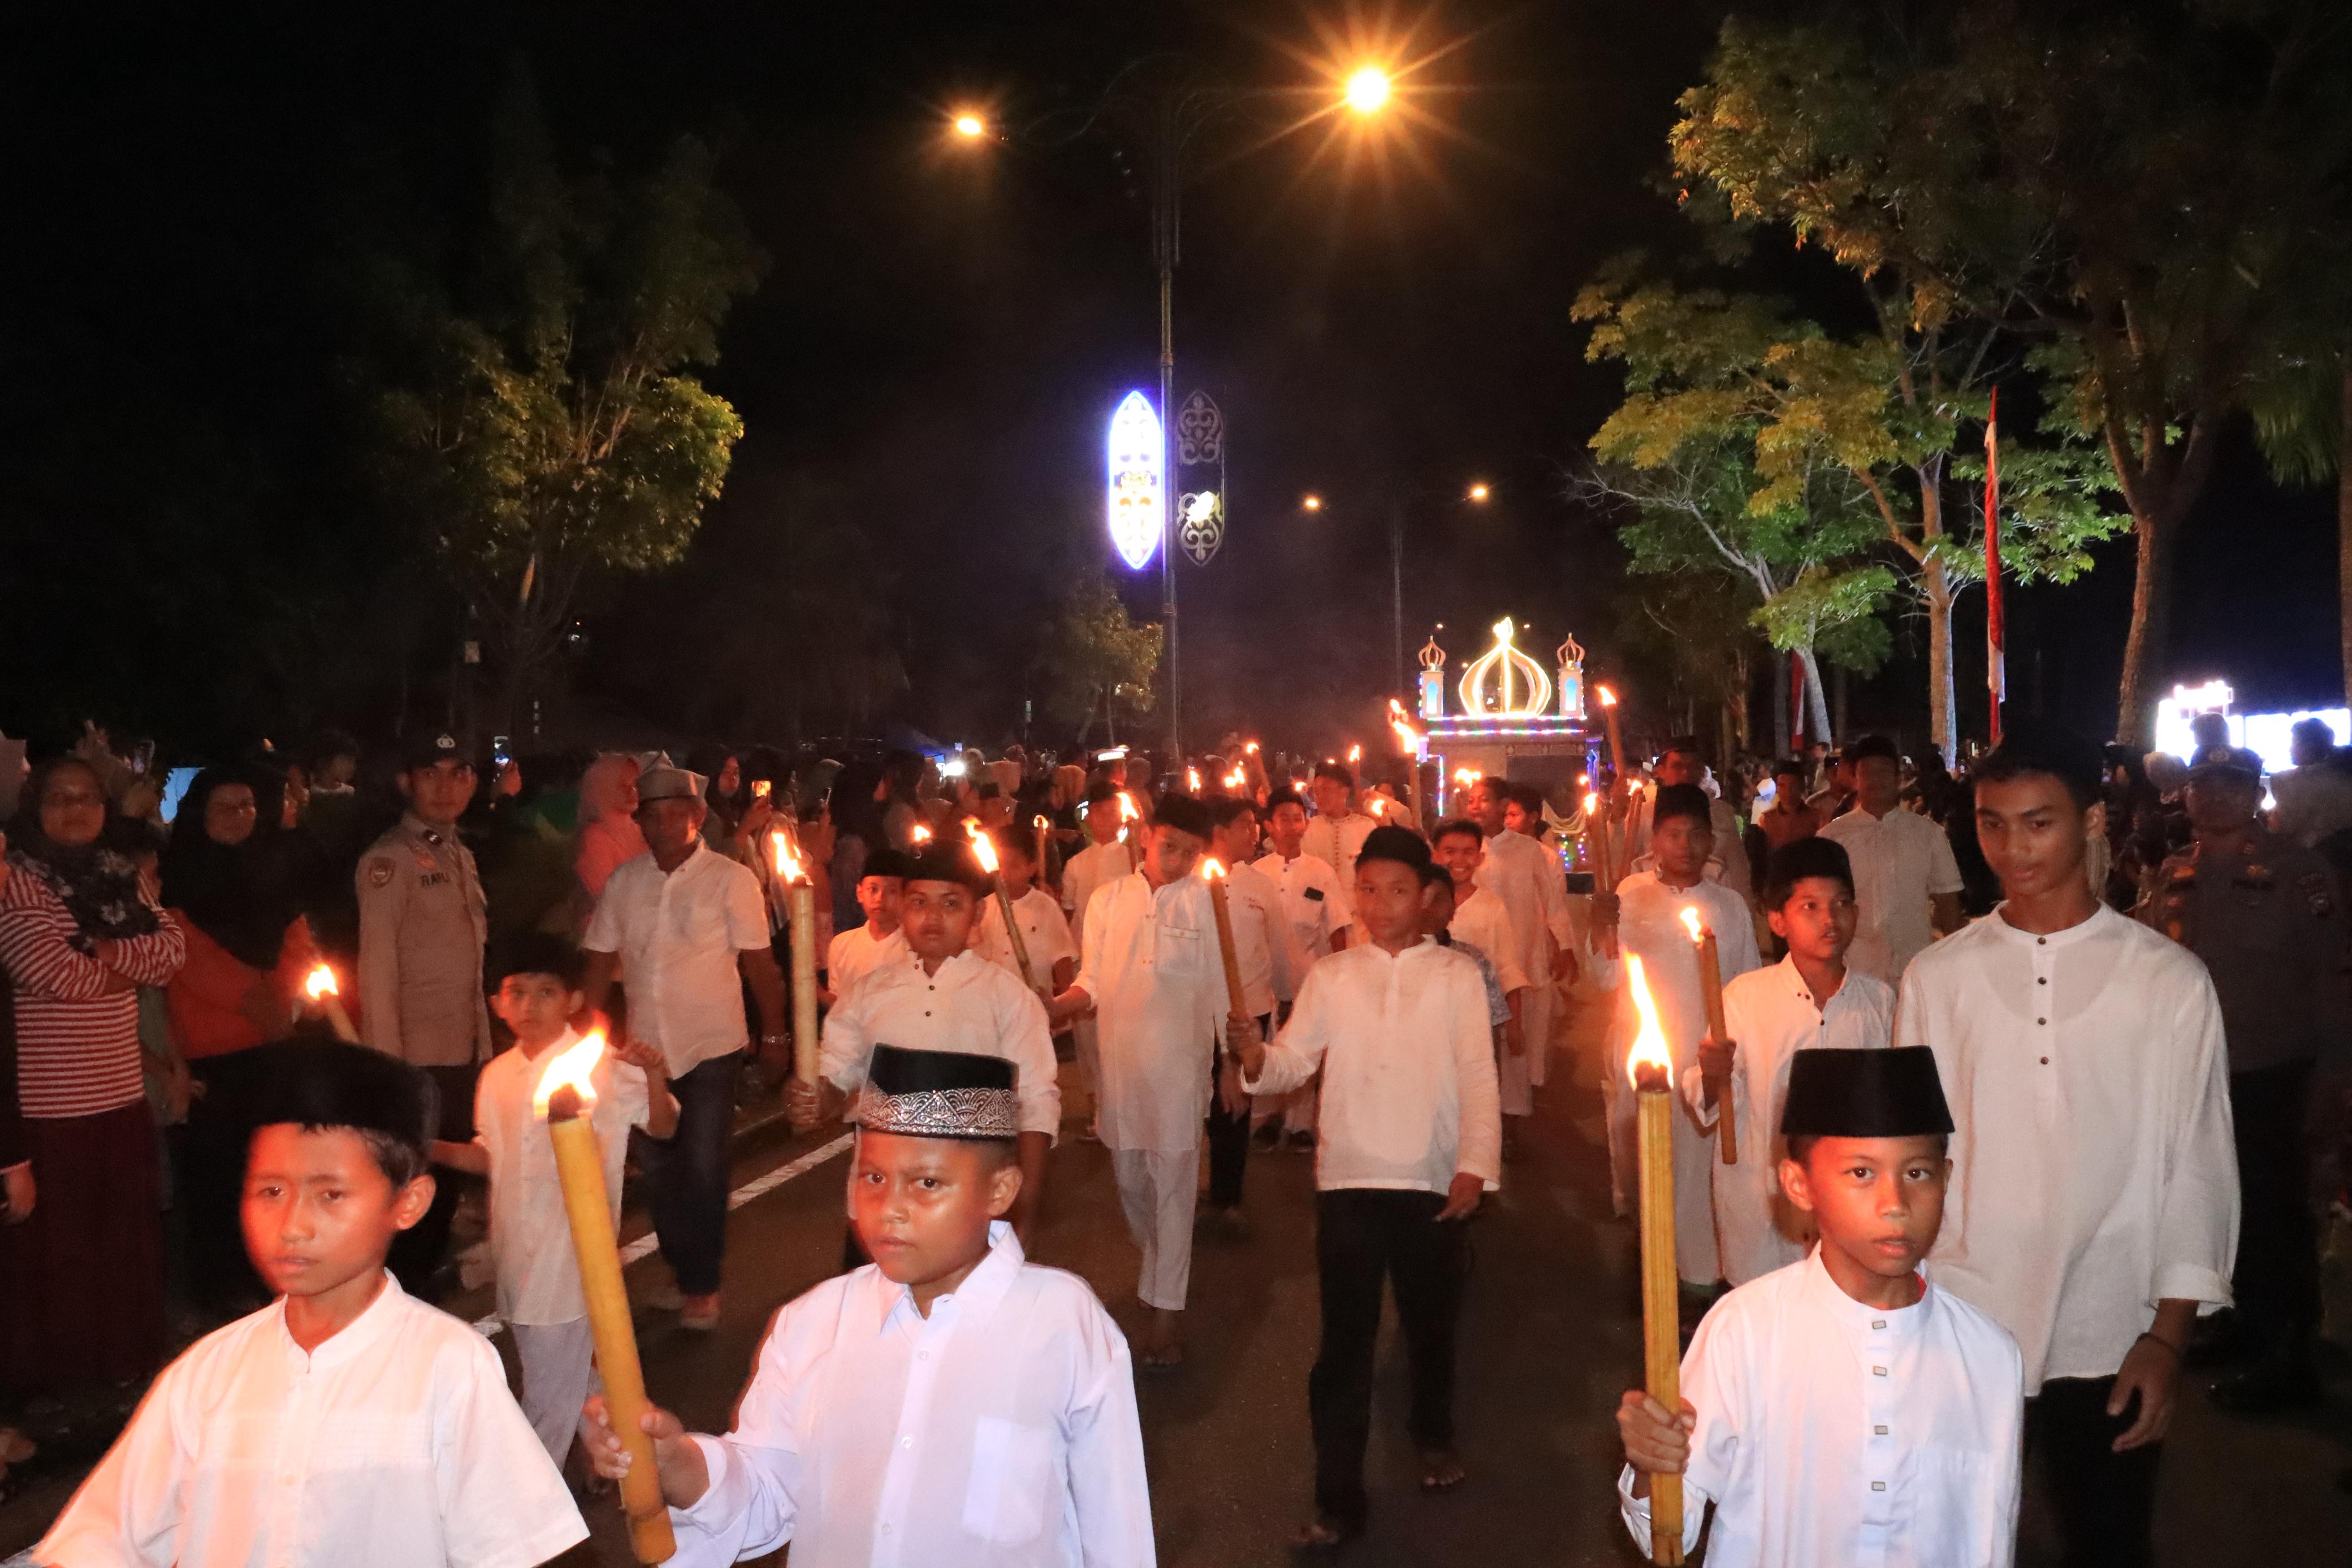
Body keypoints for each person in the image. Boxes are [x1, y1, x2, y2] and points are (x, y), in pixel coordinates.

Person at [583, 1045, 1153, 1566]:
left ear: (999, 1191)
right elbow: (765, 1488)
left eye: (926, 1183)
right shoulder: (813, 1323)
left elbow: (1115, 1529)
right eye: (873, 1176)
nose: (890, 1207)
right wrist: (676, 1464)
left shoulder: (1061, 1323)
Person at [35, 1037, 586, 1566]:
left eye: (330, 1194)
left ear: (409, 1202)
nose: (292, 1225)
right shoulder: (207, 1373)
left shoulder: (449, 1366)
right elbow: (100, 1541)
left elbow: (513, 1544)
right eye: (271, 1190)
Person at [1897, 724, 2238, 1567]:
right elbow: (1911, 1155)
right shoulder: (1937, 977)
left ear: (2090, 821)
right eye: (1991, 823)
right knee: (1951, 1543)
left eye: (2037, 822)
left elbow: (2197, 1162)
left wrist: (2167, 1338)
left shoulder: (2167, 980)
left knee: (2108, 1540)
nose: (2010, 848)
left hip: (2111, 1325)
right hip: (1965, 1318)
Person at [1615, 1047, 2024, 1566]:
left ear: (1946, 1177)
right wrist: (1652, 1463)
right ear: (1798, 1185)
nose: (1895, 1203)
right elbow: (1665, 1532)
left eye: (1918, 1173)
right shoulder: (1745, 1331)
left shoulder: (1990, 1357)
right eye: (1862, 1173)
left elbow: (1992, 1539)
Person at [1234, 826, 1501, 1548]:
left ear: (1427, 897)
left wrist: (1474, 1163)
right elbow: (1293, 1061)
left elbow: (1478, 1076)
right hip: (1348, 1178)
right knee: (1344, 1345)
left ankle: (1431, 1431)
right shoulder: (1332, 975)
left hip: (1430, 1177)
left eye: (1398, 890)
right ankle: (1337, 1499)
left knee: (1429, 1323)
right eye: (1369, 889)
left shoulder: (1455, 975)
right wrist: (1256, 1059)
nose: (1382, 904)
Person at [2134, 746, 2346, 1414]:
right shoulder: (2173, 871)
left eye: (2232, 784)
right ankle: (2240, 1323)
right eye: (2204, 784)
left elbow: (2331, 975)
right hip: (2194, 1071)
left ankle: (2289, 1353)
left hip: (2272, 1072)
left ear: (2256, 794)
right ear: (2186, 794)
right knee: (2213, 1204)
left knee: (2274, 1216)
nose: (2216, 795)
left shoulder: (2297, 871)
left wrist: (2334, 1074)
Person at [429, 934, 677, 1463]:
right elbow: (492, 1157)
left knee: (546, 1400)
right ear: (497, 1004)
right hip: (517, 1257)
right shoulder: (496, 1076)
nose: (530, 1005)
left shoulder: (598, 1063)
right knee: (577, 1382)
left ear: (573, 1001)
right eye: (516, 993)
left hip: (572, 1258)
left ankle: (531, 1497)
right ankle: (637, 1461)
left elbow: (664, 1125)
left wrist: (654, 1077)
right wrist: (429, 1148)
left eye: (546, 992)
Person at [0, 757, 187, 1394]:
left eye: (88, 797)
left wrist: (102, 953)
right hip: (51, 1105)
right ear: (35, 806)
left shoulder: (118, 874)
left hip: (119, 1091)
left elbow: (171, 951)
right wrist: (126, 967)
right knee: (61, 1255)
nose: (76, 809)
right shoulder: (18, 882)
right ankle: (61, 1382)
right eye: (60, 797)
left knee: (123, 1242)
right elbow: (54, 973)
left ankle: (121, 1366)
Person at [581, 766, 786, 1331]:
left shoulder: (730, 879)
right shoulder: (624, 883)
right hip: (645, 1054)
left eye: (679, 813)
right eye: (654, 815)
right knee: (660, 1170)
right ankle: (683, 1269)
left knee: (702, 1166)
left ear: (698, 818)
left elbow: (760, 966)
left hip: (711, 1047)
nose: (666, 824)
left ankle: (701, 1284)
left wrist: (775, 1037)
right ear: (640, 821)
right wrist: (583, 1031)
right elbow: (599, 958)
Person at [798, 843, 1060, 1248]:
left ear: (978, 913)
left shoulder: (1008, 998)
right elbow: (838, 1073)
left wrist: (1024, 1207)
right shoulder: (867, 994)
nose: (933, 917)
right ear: (902, 909)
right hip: (881, 1205)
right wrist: (817, 1097)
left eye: (951, 903)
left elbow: (1036, 1104)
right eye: (919, 902)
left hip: (971, 1207)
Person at [1049, 794, 1225, 1367]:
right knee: (1131, 1184)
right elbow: (1092, 981)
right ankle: (1160, 1271)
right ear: (1146, 835)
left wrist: (1230, 1066)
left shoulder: (1207, 902)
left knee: (1174, 1190)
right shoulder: (1107, 900)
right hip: (1122, 1073)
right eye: (1169, 846)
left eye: (1190, 853)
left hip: (1181, 1073)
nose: (1177, 861)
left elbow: (1222, 991)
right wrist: (1056, 1005)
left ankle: (1166, 1315)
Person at [1690, 835, 1893, 1287]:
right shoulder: (1746, 998)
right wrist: (1711, 1075)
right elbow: (1712, 1096)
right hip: (1762, 1197)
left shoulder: (1879, 1002)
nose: (1830, 919)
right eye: (1810, 907)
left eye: (1841, 904)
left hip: (1849, 1201)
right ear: (1778, 920)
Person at [160, 765, 322, 1311]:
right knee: (216, 1179)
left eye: (248, 806)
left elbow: (296, 936)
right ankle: (219, 1295)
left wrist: (281, 998)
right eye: (226, 807)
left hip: (272, 1046)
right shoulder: (179, 875)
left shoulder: (271, 869)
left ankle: (268, 1280)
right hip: (213, 1049)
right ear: (199, 815)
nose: (240, 817)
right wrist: (257, 1002)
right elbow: (185, 951)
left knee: (270, 1172)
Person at [1592, 783, 1761, 1291]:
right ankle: (1653, 1261)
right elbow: (1605, 978)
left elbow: (1747, 982)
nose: (1684, 846)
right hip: (1643, 1052)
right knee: (1645, 1160)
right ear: (1655, 840)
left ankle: (1697, 1275)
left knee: (1697, 1169)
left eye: (1696, 835)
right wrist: (1601, 933)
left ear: (1712, 841)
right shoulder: (1628, 894)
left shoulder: (1729, 906)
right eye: (1672, 834)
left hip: (1705, 1056)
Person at [356, 731, 491, 1297]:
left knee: (443, 1193)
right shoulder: (388, 861)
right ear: (406, 781)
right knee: (413, 1195)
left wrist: (484, 1051)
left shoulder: (458, 853)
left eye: (458, 772)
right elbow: (377, 970)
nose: (445, 787)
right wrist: (388, 1072)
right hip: (416, 1058)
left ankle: (418, 1298)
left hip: (460, 1052)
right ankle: (398, 1301)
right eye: (430, 773)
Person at [1200, 797, 1291, 1232]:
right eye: (1245, 825)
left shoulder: (1260, 885)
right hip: (1200, 1015)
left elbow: (1278, 949)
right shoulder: (1190, 884)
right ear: (1220, 832)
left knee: (1234, 1109)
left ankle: (1228, 1197)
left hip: (1247, 1014)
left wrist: (1284, 1001)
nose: (1254, 833)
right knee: (1203, 1104)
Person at [1818, 735, 1965, 987]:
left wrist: (1956, 966)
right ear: (1855, 779)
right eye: (1867, 773)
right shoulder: (1831, 838)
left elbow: (1948, 900)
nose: (1876, 780)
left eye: (1884, 772)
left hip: (1915, 969)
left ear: (1899, 778)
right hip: (1853, 971)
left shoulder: (1928, 834)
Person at [1252, 786, 1352, 1152]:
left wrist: (1343, 974)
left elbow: (1337, 924)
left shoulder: (1320, 871)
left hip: (1306, 976)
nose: (1293, 826)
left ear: (1306, 824)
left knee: (1305, 1049)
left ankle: (1301, 1124)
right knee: (1268, 1046)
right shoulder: (1256, 873)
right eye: (1284, 819)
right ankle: (1268, 1117)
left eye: (1299, 818)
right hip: (1264, 979)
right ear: (1269, 826)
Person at [1464, 779, 1575, 1103]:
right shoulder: (1462, 849)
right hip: (1474, 952)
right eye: (1471, 800)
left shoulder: (1528, 850)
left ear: (1503, 805)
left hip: (1520, 949)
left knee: (1517, 1034)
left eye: (1483, 800)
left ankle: (1513, 1110)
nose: (1475, 806)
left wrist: (1565, 946)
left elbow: (1553, 902)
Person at [1428, 820, 1532, 1150]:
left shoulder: (1491, 907)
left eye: (1468, 852)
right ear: (1435, 854)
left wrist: (1514, 1025)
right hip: (1429, 1017)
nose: (1459, 860)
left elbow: (1507, 968)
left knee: (1476, 1091)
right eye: (1450, 851)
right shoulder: (1422, 903)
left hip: (1478, 1019)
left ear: (1480, 858)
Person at [1622, 737, 1756, 909]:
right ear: (1661, 771)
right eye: (1677, 766)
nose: (1686, 773)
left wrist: (1744, 909)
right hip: (1656, 909)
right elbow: (1623, 862)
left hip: (1711, 909)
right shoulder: (1642, 815)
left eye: (1692, 767)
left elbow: (1738, 870)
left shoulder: (1722, 813)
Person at [971, 829, 1078, 997]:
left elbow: (1063, 960)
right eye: (1000, 864)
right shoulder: (983, 907)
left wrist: (1064, 1004)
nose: (1004, 873)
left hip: (1031, 999)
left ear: (1032, 868)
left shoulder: (1046, 907)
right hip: (991, 999)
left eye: (1013, 865)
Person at [822, 844, 909, 1004]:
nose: (880, 898)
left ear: (905, 897)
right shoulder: (842, 945)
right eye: (873, 889)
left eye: (891, 891)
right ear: (860, 893)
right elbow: (839, 1003)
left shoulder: (913, 948)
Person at [2267, 714, 2352, 854]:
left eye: (2293, 742)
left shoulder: (2287, 783)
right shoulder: (2345, 776)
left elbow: (2279, 829)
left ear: (2306, 746)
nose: (2289, 749)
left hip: (2304, 860)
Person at [572, 752, 646, 907]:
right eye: (623, 786)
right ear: (603, 788)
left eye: (636, 785)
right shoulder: (594, 838)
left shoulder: (642, 830)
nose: (633, 792)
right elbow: (605, 895)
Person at [1303, 761, 1377, 892]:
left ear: (1344, 792)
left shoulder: (1366, 827)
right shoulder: (1308, 828)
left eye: (1326, 790)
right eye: (1316, 791)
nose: (1319, 796)